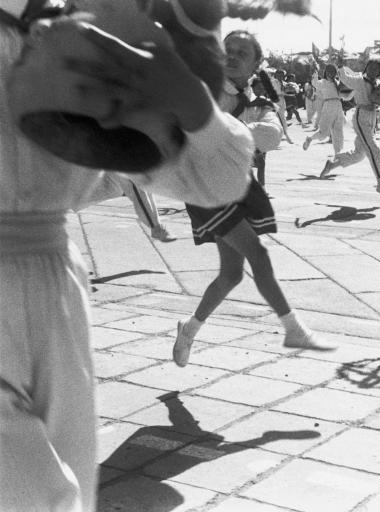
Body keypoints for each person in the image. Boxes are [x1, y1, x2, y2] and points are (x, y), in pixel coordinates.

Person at [0, 2, 256, 510]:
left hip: (56, 283)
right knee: (38, 494)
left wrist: (188, 100)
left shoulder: (85, 28)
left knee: (70, 475)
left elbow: (218, 179)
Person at [176, 30, 336, 368]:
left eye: (241, 53)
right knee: (258, 255)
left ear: (255, 64)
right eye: (228, 49)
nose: (232, 56)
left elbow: (272, 134)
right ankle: (293, 328)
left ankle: (189, 329)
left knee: (232, 274)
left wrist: (247, 135)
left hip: (232, 184)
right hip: (205, 186)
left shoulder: (255, 99)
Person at [318, 58, 380, 198]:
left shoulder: (378, 83)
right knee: (373, 149)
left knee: (359, 154)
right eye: (371, 67)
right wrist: (341, 67)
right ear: (366, 67)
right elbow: (346, 78)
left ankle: (332, 164)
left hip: (372, 117)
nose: (373, 70)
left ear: (379, 72)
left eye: (376, 69)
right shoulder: (360, 79)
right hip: (361, 116)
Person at [303, 64, 346, 155]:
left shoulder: (337, 83)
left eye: (333, 71)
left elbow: (344, 94)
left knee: (338, 130)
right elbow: (314, 83)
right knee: (324, 132)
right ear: (326, 72)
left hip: (338, 106)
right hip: (328, 105)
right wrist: (315, 73)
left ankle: (337, 153)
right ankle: (310, 139)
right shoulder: (322, 82)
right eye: (329, 71)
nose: (331, 73)